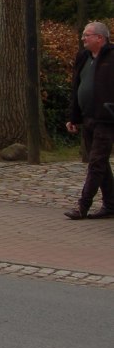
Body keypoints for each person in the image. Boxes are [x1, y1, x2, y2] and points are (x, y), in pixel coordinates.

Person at [64, 22, 114, 220]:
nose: (83, 38)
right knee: (100, 163)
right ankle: (111, 204)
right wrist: (73, 117)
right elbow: (77, 86)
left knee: (96, 162)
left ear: (100, 38)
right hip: (88, 117)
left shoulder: (111, 57)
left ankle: (82, 206)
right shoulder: (83, 57)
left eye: (87, 35)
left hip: (107, 119)